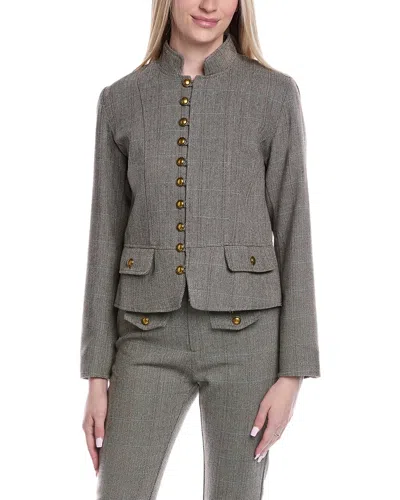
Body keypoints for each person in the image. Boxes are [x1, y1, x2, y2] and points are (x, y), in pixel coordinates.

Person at [80, 0, 321, 498]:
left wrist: (292, 374)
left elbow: (294, 229)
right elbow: (104, 239)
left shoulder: (274, 94)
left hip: (248, 338)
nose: (211, 5)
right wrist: (96, 376)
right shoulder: (120, 99)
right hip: (145, 336)